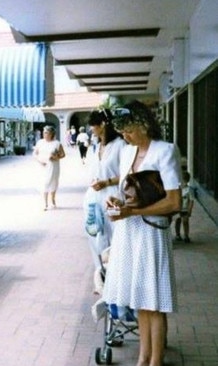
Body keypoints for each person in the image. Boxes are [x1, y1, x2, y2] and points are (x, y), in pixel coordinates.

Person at [103, 101, 182, 366]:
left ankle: (155, 360)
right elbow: (130, 192)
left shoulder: (165, 151)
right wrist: (116, 201)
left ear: (145, 124)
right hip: (128, 233)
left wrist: (133, 213)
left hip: (150, 234)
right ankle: (142, 358)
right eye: (122, 132)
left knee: (153, 300)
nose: (126, 136)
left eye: (130, 130)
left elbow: (174, 202)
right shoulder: (127, 153)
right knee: (139, 298)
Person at [85, 108, 126, 294]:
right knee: (96, 237)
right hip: (96, 198)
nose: (91, 129)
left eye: (93, 125)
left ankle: (118, 278)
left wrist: (107, 181)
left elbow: (127, 174)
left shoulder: (119, 145)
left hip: (113, 196)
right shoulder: (96, 146)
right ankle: (102, 276)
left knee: (116, 238)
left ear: (102, 125)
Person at [33, 125, 65, 210]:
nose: (44, 134)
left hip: (53, 166)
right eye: (44, 132)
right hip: (42, 166)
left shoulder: (57, 143)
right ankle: (45, 203)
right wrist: (39, 161)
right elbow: (35, 154)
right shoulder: (40, 142)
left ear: (51, 134)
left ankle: (53, 200)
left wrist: (56, 157)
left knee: (53, 182)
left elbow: (63, 154)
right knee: (44, 183)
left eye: (46, 132)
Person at [174, 171, 194, 243]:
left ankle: (186, 235)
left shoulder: (189, 190)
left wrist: (190, 209)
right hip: (178, 208)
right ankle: (178, 235)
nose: (183, 183)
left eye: (185, 181)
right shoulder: (178, 189)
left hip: (185, 209)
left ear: (187, 181)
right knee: (177, 221)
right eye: (182, 181)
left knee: (185, 221)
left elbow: (191, 200)